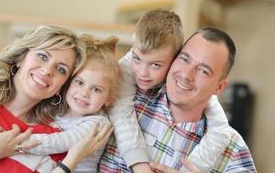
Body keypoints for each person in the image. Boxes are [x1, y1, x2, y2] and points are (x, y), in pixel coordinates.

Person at [101, 27, 257, 172]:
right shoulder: (119, 99)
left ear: (220, 87)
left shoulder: (233, 150)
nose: (186, 75)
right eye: (185, 59)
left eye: (203, 70)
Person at [0, 34, 120, 172]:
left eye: (96, 89)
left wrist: (7, 143)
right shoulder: (57, 114)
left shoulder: (96, 124)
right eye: (80, 83)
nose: (84, 93)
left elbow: (57, 142)